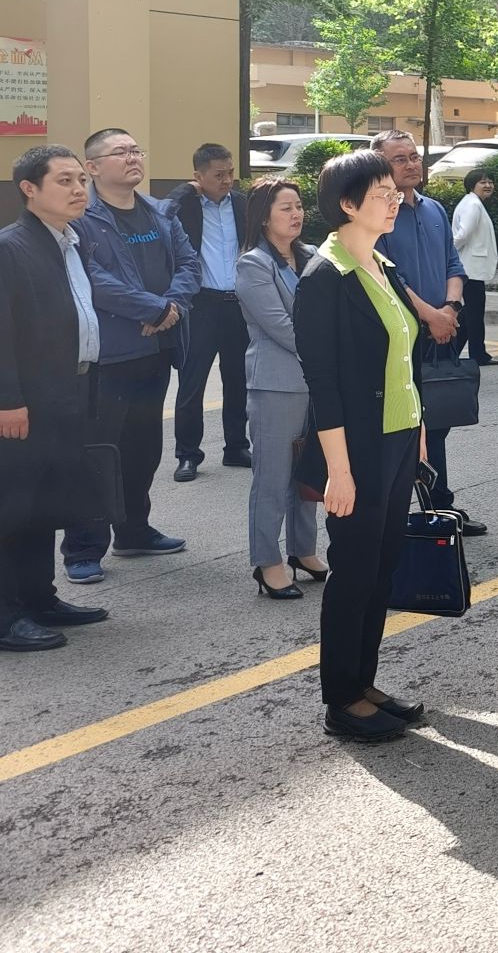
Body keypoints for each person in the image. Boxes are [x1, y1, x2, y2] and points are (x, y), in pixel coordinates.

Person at [293, 147, 430, 742]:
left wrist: (418, 433)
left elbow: (405, 358)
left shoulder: (381, 263)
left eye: (395, 193)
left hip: (398, 438)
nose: (394, 201)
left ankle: (363, 682)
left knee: (380, 567)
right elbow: (322, 385)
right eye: (382, 194)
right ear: (347, 205)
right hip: (355, 448)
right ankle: (341, 699)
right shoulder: (325, 277)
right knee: (352, 572)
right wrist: (339, 471)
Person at [61, 128, 198, 583]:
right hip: (109, 356)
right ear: (92, 167)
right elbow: (91, 278)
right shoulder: (81, 217)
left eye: (136, 150)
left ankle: (134, 531)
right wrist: (153, 308)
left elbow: (189, 264)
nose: (132, 157)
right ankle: (83, 548)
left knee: (144, 449)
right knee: (99, 453)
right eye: (120, 152)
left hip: (156, 350)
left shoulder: (161, 211)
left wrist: (171, 307)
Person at [0, 147, 110, 650]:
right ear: (29, 188)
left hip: (69, 393)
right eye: (64, 180)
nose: (78, 189)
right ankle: (6, 617)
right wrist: (8, 400)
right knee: (12, 510)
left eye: (81, 180)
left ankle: (39, 598)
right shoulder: (11, 247)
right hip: (25, 404)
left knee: (44, 506)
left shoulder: (70, 241)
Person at [370, 131, 483, 535]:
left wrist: (450, 309)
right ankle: (397, 514)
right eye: (399, 159)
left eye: (414, 156)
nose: (411, 164)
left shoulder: (434, 208)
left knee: (437, 422)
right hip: (400, 337)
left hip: (442, 330)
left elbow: (454, 263)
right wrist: (431, 316)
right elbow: (389, 278)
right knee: (403, 428)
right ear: (380, 167)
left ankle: (439, 509)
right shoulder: (378, 215)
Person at [237, 177, 323, 600]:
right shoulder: (254, 264)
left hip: (316, 381)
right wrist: (331, 351)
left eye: (299, 205)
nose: (296, 214)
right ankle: (267, 561)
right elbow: (281, 327)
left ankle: (303, 551)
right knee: (272, 477)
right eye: (285, 207)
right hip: (276, 384)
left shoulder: (312, 256)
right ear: (263, 217)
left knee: (308, 471)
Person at [169, 142, 250, 479]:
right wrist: (183, 191)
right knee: (192, 381)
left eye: (230, 173)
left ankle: (236, 446)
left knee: (238, 378)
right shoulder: (185, 206)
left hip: (238, 304)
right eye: (218, 175)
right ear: (198, 176)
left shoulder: (241, 204)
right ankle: (188, 454)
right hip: (201, 303)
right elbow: (159, 214)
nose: (227, 180)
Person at [450, 168, 498, 366]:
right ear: (472, 185)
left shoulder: (472, 203)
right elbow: (462, 235)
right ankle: (478, 355)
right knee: (474, 314)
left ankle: (451, 352)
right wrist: (448, 254)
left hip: (472, 266)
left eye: (490, 182)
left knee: (469, 313)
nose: (488, 185)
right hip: (471, 267)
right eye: (483, 182)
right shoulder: (473, 205)